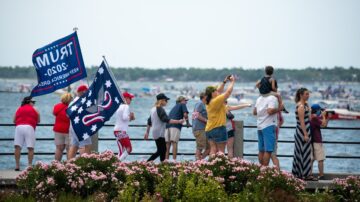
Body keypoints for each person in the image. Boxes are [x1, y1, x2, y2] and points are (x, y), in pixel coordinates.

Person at [144, 93, 184, 162]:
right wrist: (178, 121)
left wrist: (147, 132)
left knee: (162, 150)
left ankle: (162, 165)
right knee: (162, 150)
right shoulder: (160, 108)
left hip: (155, 132)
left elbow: (149, 121)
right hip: (160, 132)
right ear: (162, 100)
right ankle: (147, 162)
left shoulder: (153, 109)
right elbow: (166, 119)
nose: (167, 102)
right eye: (166, 100)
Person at [205, 75, 235, 155]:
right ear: (212, 93)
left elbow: (219, 90)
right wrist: (232, 82)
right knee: (221, 151)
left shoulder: (209, 101)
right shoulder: (216, 101)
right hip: (218, 128)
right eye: (215, 91)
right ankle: (220, 167)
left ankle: (210, 166)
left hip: (209, 129)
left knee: (213, 149)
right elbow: (228, 93)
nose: (217, 91)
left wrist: (224, 82)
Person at [253, 89, 284, 166]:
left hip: (260, 126)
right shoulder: (272, 98)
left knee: (261, 150)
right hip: (268, 126)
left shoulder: (259, 98)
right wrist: (280, 108)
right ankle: (264, 171)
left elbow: (254, 112)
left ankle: (261, 170)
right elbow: (270, 111)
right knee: (269, 150)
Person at [292, 88, 314, 180]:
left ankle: (302, 174)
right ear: (301, 95)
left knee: (305, 152)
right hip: (302, 131)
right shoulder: (300, 106)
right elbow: (302, 122)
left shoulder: (305, 105)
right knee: (303, 152)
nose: (308, 96)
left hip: (305, 130)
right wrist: (305, 134)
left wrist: (309, 108)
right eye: (306, 94)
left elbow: (309, 119)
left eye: (308, 94)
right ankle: (303, 174)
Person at [13, 96, 40, 171]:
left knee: (17, 147)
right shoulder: (35, 109)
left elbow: (14, 120)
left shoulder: (19, 108)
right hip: (29, 127)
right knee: (30, 148)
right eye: (33, 102)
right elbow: (38, 120)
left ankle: (17, 166)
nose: (33, 104)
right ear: (29, 102)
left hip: (19, 127)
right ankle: (29, 165)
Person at [68, 85, 92, 159]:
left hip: (73, 127)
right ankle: (85, 164)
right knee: (86, 145)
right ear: (84, 92)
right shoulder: (83, 102)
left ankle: (69, 164)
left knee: (74, 146)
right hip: (82, 127)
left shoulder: (72, 102)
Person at [165, 95, 190, 161]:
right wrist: (187, 123)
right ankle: (174, 161)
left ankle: (166, 161)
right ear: (181, 101)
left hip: (167, 126)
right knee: (174, 142)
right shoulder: (182, 104)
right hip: (175, 126)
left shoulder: (174, 107)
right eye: (185, 100)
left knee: (167, 144)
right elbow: (185, 114)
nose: (186, 102)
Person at [310, 104, 330, 180]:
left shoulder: (312, 117)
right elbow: (323, 124)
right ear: (317, 110)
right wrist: (324, 116)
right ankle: (321, 175)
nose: (321, 112)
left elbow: (323, 125)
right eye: (320, 110)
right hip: (317, 141)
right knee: (320, 159)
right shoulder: (314, 118)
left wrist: (328, 117)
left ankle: (310, 174)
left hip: (312, 140)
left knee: (311, 159)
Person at [113, 92, 135, 161]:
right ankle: (118, 164)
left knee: (121, 151)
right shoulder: (126, 106)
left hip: (116, 130)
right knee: (129, 149)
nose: (131, 100)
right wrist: (130, 117)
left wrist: (130, 118)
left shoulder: (118, 106)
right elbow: (125, 117)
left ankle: (115, 164)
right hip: (121, 131)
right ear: (125, 99)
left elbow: (122, 119)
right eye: (130, 98)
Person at [53, 93, 73, 161]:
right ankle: (69, 166)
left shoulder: (57, 106)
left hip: (58, 130)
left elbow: (54, 113)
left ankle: (56, 165)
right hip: (68, 130)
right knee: (69, 149)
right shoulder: (71, 107)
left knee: (59, 148)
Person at [192, 92, 209, 160]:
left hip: (202, 129)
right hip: (199, 129)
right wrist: (206, 120)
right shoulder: (200, 103)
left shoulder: (203, 104)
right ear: (204, 97)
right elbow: (196, 114)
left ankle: (200, 161)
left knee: (209, 147)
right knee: (200, 147)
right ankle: (197, 162)